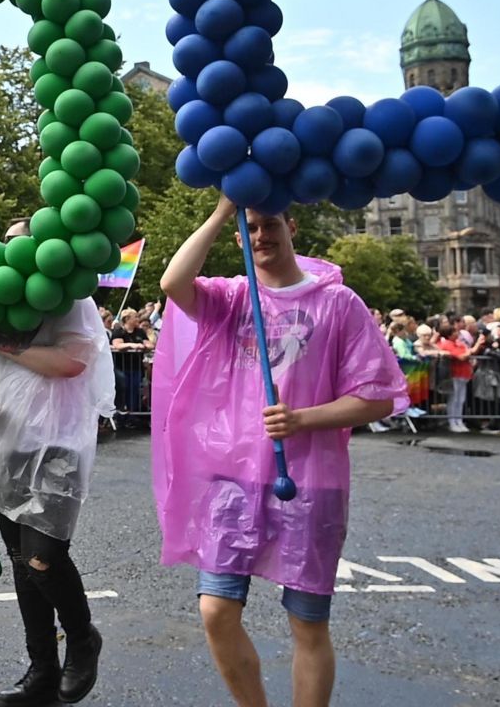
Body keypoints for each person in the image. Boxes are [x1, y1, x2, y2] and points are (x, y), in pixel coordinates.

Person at [154, 197, 407, 707]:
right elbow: (172, 283)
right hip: (232, 476)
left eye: (269, 224)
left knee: (307, 624)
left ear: (292, 225)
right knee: (215, 611)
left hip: (310, 482)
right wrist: (225, 210)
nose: (261, 236)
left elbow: (378, 397)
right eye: (250, 230)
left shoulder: (339, 304)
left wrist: (302, 419)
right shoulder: (230, 298)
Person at [0, 221, 117, 707]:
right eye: (11, 238)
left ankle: (82, 640)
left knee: (44, 558)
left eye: (30, 238)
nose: (19, 246)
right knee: (22, 565)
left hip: (57, 444)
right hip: (4, 446)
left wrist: (2, 345)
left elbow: (72, 362)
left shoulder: (67, 294)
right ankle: (40, 669)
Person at [109, 309, 154, 429]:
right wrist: (132, 345)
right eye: (134, 317)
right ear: (127, 319)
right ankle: (122, 416)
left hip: (136, 367)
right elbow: (117, 345)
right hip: (122, 367)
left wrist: (145, 346)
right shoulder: (119, 331)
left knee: (134, 391)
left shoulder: (139, 331)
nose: (137, 319)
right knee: (124, 389)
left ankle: (133, 415)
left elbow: (149, 344)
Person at [432, 320, 473, 433]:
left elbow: (466, 352)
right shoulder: (446, 344)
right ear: (449, 335)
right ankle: (452, 421)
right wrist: (471, 350)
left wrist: (468, 352)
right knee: (454, 399)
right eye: (454, 332)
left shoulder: (459, 343)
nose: (457, 333)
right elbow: (462, 357)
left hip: (464, 374)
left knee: (461, 399)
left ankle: (459, 420)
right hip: (454, 374)